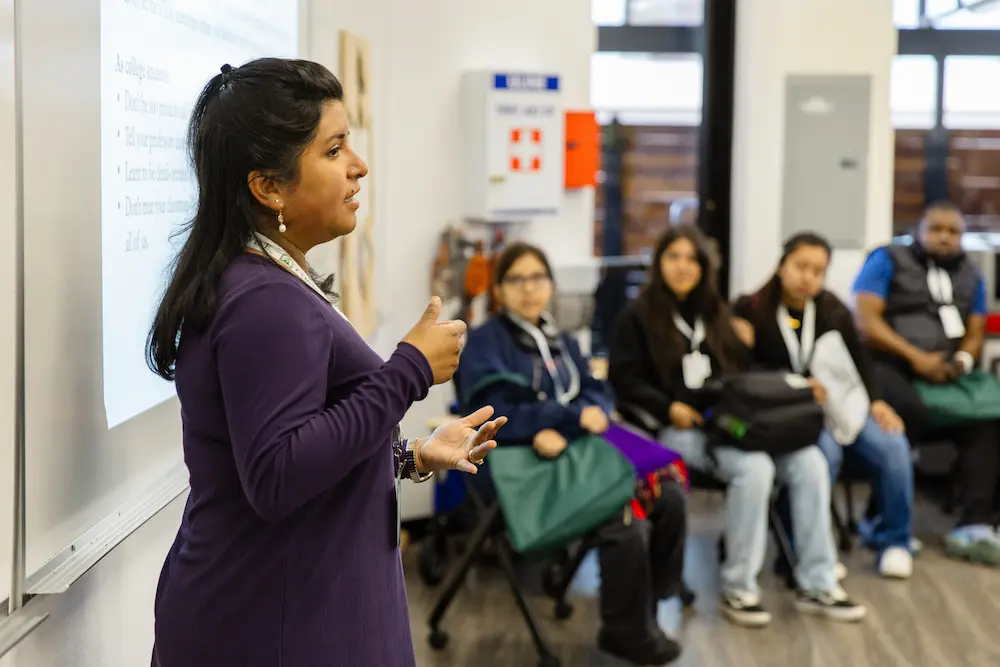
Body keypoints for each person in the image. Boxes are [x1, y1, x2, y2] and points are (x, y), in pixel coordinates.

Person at [145, 59, 507, 667]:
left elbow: (298, 449)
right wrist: (410, 368)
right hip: (271, 624)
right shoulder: (263, 302)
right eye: (334, 149)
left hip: (278, 608)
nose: (359, 166)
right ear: (269, 186)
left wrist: (408, 456)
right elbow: (279, 473)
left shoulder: (266, 281)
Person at [608, 224, 866, 628]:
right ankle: (739, 588)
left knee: (811, 461)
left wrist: (763, 363)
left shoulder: (715, 313)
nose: (682, 266)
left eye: (692, 259)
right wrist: (669, 406)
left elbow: (741, 373)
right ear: (659, 262)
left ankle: (818, 580)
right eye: (673, 256)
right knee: (755, 468)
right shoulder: (637, 316)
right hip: (677, 429)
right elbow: (625, 381)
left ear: (703, 267)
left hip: (729, 423)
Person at [458, 242, 685, 666]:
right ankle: (625, 633)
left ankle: (654, 601)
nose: (529, 288)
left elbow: (598, 392)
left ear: (551, 285)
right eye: (516, 279)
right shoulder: (485, 342)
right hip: (516, 461)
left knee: (668, 491)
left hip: (571, 454)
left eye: (538, 278)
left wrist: (581, 416)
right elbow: (489, 413)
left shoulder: (560, 339)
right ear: (499, 290)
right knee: (625, 515)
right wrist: (555, 423)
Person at [733, 232, 915, 579]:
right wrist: (795, 385)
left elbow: (861, 362)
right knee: (822, 456)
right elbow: (743, 372)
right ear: (782, 265)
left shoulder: (832, 309)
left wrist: (877, 401)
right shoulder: (751, 309)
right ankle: (811, 548)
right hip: (789, 414)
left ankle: (895, 541)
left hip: (841, 407)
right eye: (801, 267)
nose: (808, 278)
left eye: (818, 271)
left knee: (892, 444)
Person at [852, 200, 1000, 564]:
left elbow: (975, 330)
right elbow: (865, 321)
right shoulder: (887, 259)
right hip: (889, 365)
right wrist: (915, 358)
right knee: (908, 410)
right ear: (918, 231)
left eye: (954, 232)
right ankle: (880, 516)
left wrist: (963, 361)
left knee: (991, 415)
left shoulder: (971, 274)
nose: (945, 238)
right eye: (936, 229)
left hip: (946, 368)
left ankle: (976, 523)